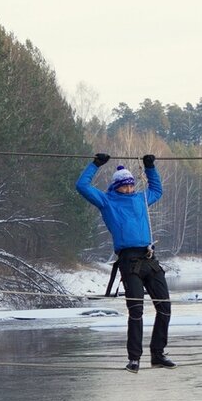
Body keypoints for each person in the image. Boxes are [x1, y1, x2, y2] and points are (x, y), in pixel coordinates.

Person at [75, 152, 175, 373]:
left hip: (149, 258)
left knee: (165, 308)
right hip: (129, 262)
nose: (129, 189)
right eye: (124, 186)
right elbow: (81, 186)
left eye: (131, 185)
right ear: (117, 186)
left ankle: (157, 354)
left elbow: (157, 190)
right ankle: (134, 359)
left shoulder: (141, 198)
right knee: (136, 310)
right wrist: (96, 164)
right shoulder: (107, 201)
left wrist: (150, 167)